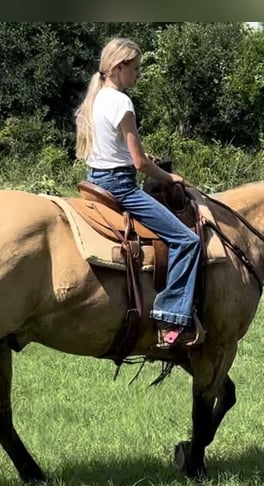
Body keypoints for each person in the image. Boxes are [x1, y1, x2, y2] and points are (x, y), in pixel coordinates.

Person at [74, 37, 204, 349]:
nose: (138, 75)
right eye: (135, 68)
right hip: (120, 185)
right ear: (118, 68)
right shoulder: (121, 102)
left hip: (95, 180)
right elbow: (139, 162)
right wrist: (171, 177)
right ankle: (170, 317)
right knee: (188, 241)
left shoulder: (96, 98)